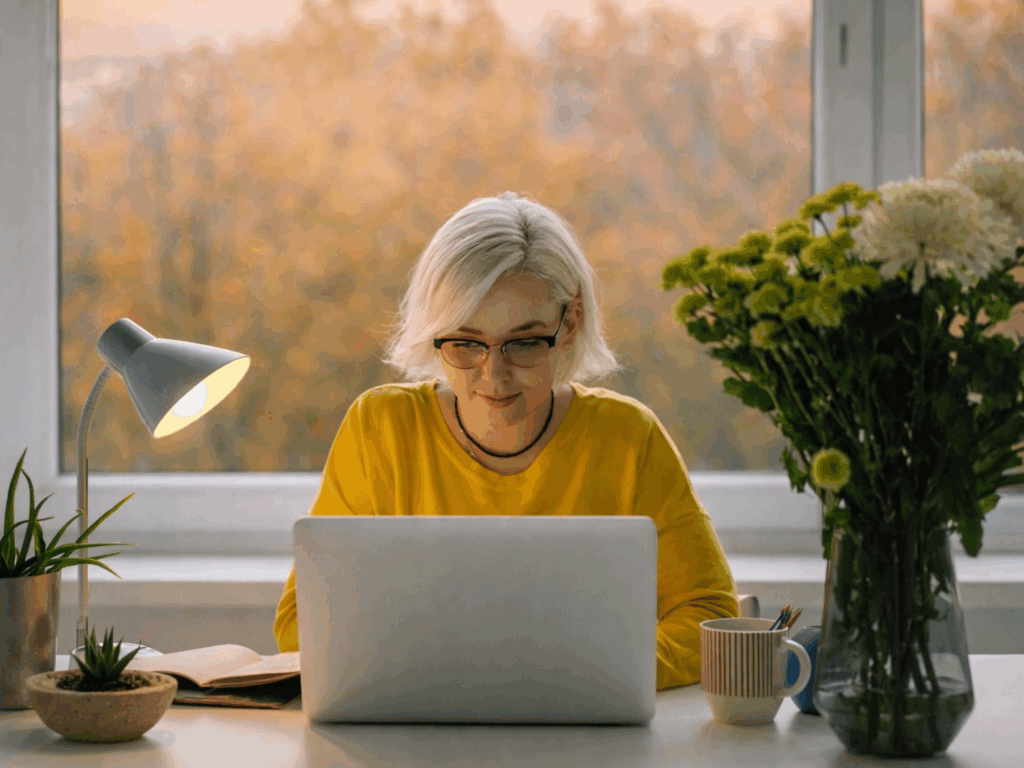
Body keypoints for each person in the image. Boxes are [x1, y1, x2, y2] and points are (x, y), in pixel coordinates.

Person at [273, 191, 740, 690]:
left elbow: (711, 617)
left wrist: (583, 678)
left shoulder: (628, 439)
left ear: (570, 324)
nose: (495, 376)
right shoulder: (380, 429)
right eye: (465, 343)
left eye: (524, 343)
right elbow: (300, 623)